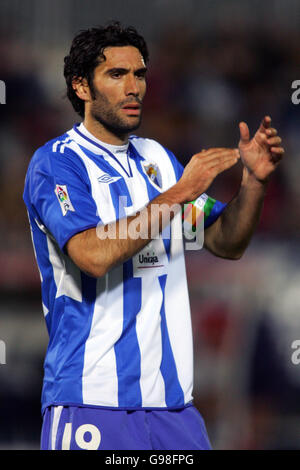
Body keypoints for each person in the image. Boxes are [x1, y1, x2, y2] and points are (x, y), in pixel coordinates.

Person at [23, 21, 284, 451]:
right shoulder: (56, 164)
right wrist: (182, 191)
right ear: (81, 87)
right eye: (116, 74)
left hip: (174, 410)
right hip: (91, 402)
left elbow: (225, 242)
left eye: (140, 74)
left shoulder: (158, 159)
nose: (134, 87)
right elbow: (91, 255)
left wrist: (254, 184)